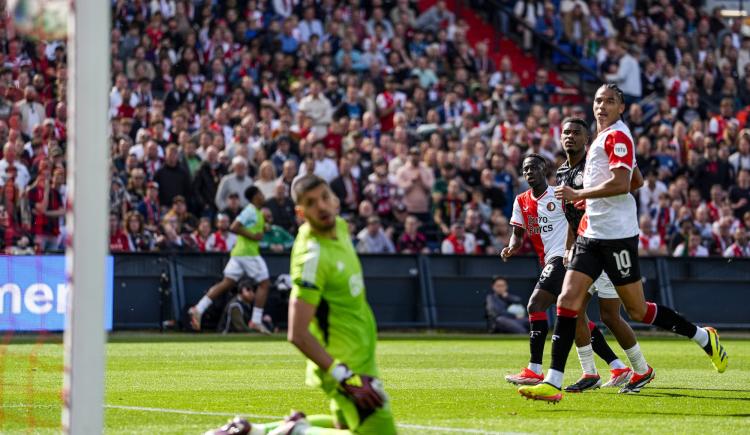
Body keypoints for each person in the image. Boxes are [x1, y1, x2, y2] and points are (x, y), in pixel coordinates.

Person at [520, 84, 728, 403]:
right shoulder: (600, 141)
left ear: (621, 108)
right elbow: (635, 179)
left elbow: (622, 183)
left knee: (638, 311)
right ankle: (553, 381)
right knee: (567, 300)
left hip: (617, 236)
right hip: (592, 235)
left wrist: (581, 195)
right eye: (598, 100)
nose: (602, 106)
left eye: (610, 101)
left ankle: (703, 337)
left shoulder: (619, 136)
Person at [206, 175, 397, 434]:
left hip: (361, 356)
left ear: (335, 199)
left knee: (344, 425)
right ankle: (296, 433)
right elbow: (296, 333)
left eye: (325, 197)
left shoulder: (340, 227)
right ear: (300, 211)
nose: (321, 206)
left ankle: (257, 431)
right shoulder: (312, 256)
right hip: (346, 367)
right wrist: (346, 378)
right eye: (311, 202)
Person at [501, 153, 627, 388]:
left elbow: (578, 218)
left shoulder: (559, 194)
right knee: (577, 316)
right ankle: (617, 366)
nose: (529, 172)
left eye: (533, 168)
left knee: (535, 305)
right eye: (525, 169)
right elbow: (518, 236)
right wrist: (510, 248)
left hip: (565, 257)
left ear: (544, 170)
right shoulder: (521, 201)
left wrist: (579, 249)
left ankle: (534, 369)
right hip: (549, 259)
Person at [556, 117, 650, 392]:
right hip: (585, 245)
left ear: (588, 140)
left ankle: (638, 368)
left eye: (576, 132)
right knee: (573, 308)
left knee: (611, 315)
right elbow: (572, 215)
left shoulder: (597, 161)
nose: (570, 136)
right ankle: (593, 372)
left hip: (607, 241)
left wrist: (598, 197)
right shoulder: (562, 173)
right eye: (566, 132)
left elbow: (634, 180)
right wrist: (568, 246)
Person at [189, 186, 272, 334]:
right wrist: (253, 236)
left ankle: (198, 308)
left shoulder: (257, 212)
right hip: (248, 254)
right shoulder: (250, 210)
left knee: (227, 283)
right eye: (260, 193)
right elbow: (234, 227)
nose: (263, 195)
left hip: (239, 253)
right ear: (254, 197)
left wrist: (263, 229)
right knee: (265, 284)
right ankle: (256, 321)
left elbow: (250, 229)